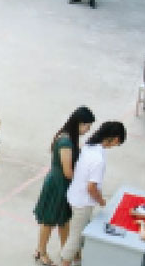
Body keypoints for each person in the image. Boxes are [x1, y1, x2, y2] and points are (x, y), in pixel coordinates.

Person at [32, 106, 96, 266]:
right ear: (79, 123)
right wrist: (83, 183)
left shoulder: (70, 137)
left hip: (63, 184)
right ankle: (41, 251)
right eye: (87, 126)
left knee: (64, 219)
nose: (88, 130)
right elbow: (67, 171)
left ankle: (66, 250)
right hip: (58, 184)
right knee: (49, 220)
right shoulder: (66, 142)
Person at [58, 121, 127, 266]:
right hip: (83, 203)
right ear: (115, 139)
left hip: (74, 195)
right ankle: (65, 262)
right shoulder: (99, 160)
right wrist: (101, 200)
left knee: (80, 231)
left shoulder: (89, 146)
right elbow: (91, 187)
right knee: (75, 237)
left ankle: (77, 259)